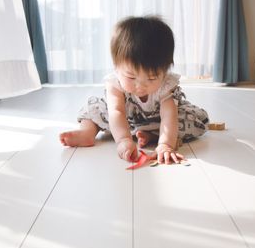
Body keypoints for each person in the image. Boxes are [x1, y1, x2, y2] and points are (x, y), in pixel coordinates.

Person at [60, 16, 209, 164]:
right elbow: (116, 112)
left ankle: (152, 135)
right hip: (123, 120)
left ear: (164, 71)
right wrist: (123, 140)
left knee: (186, 119)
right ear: (116, 67)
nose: (141, 86)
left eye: (152, 78)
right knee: (94, 108)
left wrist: (165, 145)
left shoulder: (166, 85)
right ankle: (88, 132)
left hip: (157, 120)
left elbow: (168, 116)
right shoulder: (115, 83)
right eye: (131, 77)